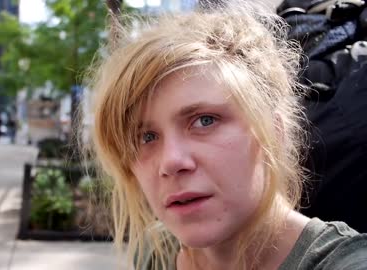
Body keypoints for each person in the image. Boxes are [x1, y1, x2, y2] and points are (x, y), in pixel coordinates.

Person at [85, 1, 367, 270]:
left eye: (205, 121)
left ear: (275, 131)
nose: (170, 162)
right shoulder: (156, 251)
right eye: (146, 137)